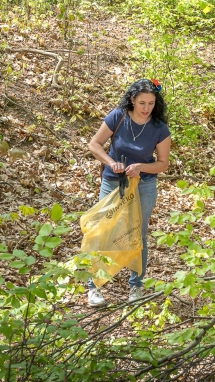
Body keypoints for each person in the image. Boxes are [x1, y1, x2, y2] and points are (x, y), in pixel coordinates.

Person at [87, 78, 171, 306]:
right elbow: (94, 144)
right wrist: (111, 162)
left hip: (143, 185)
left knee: (136, 234)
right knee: (103, 231)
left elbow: (163, 164)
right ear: (132, 99)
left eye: (151, 103)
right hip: (113, 181)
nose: (146, 108)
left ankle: (136, 286)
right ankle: (94, 287)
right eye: (142, 103)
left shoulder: (159, 128)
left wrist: (141, 167)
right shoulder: (118, 116)